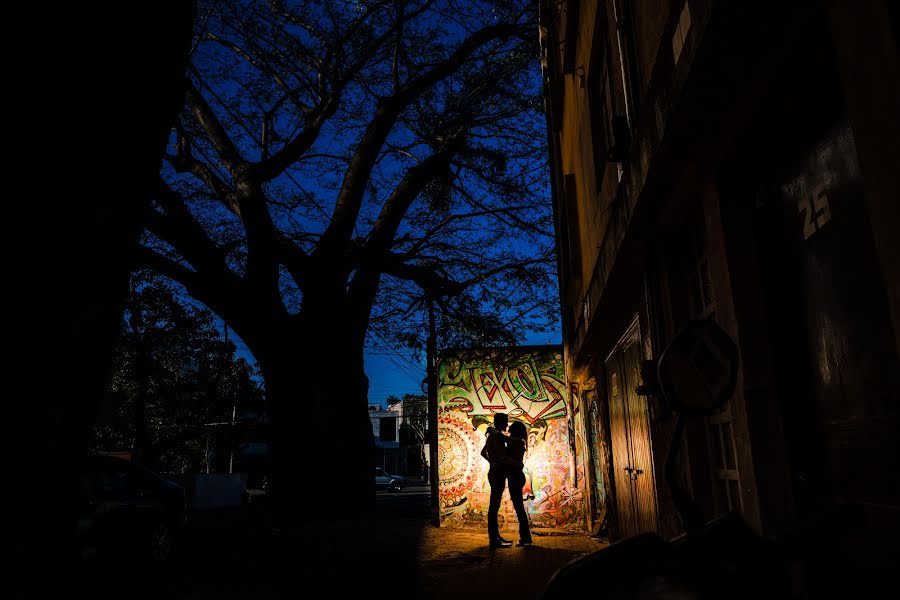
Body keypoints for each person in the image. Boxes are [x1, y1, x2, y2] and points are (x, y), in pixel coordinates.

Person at [483, 412, 513, 548]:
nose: (507, 425)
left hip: (494, 472)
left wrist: (492, 462)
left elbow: (483, 453)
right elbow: (508, 443)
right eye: (505, 422)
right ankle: (494, 540)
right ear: (500, 422)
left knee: (494, 506)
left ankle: (495, 537)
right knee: (494, 507)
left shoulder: (492, 436)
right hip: (498, 473)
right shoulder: (496, 436)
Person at [506, 421, 533, 547]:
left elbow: (503, 438)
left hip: (515, 476)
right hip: (517, 476)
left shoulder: (516, 442)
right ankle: (525, 538)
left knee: (519, 509)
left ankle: (525, 538)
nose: (508, 430)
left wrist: (493, 431)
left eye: (511, 429)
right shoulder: (519, 442)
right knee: (519, 508)